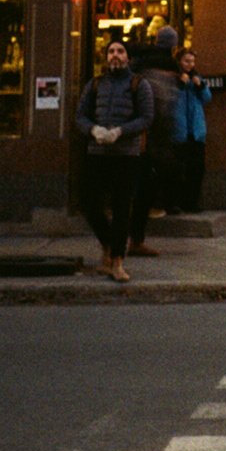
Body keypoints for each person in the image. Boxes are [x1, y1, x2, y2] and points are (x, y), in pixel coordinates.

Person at [74, 39, 156, 281]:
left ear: (128, 58)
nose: (115, 55)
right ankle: (109, 246)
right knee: (89, 204)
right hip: (97, 153)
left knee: (121, 207)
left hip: (126, 155)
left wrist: (120, 131)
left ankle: (117, 261)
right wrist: (93, 130)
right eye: (111, 51)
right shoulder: (95, 84)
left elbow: (147, 118)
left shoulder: (139, 84)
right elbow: (80, 116)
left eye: (120, 51)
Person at [127, 25, 181, 257]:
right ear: (173, 46)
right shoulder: (167, 66)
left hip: (135, 133)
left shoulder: (140, 62)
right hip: (151, 138)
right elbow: (162, 106)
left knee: (136, 187)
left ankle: (128, 240)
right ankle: (133, 241)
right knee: (144, 189)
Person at [168, 46, 212, 212]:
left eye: (192, 61)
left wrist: (200, 85)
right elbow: (169, 99)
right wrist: (180, 84)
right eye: (186, 61)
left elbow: (207, 98)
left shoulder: (196, 78)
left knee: (196, 169)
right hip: (179, 132)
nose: (190, 64)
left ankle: (192, 203)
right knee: (178, 170)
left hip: (196, 132)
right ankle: (176, 202)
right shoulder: (173, 78)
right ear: (179, 61)